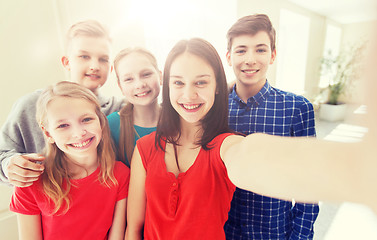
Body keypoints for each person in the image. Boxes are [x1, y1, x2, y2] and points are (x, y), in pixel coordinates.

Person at [125, 37, 377, 240]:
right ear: (167, 86)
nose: (189, 94)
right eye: (178, 83)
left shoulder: (225, 146)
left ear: (217, 86)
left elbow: (252, 157)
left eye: (201, 82)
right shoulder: (145, 148)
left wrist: (359, 169)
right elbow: (134, 229)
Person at [224, 14, 319, 239]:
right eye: (241, 50)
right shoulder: (215, 108)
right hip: (224, 231)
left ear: (273, 55)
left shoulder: (297, 108)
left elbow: (310, 183)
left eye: (260, 49)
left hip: (274, 232)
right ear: (228, 57)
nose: (250, 59)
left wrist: (300, 236)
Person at [0, 20, 124, 187]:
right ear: (67, 62)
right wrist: (9, 166)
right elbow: (3, 154)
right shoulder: (30, 106)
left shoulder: (121, 110)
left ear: (110, 69)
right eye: (84, 56)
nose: (94, 66)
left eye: (103, 59)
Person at [9, 81, 129, 240]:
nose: (79, 133)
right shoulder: (31, 181)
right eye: (63, 125)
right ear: (48, 134)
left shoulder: (120, 174)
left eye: (86, 119)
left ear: (100, 120)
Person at [107, 47, 161, 167]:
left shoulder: (179, 119)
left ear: (160, 76)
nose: (140, 84)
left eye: (146, 74)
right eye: (129, 79)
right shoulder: (111, 125)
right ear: (120, 86)